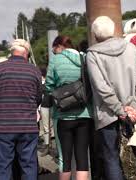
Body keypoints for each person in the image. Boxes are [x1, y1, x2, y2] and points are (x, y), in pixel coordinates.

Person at [87, 16, 136, 180]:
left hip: (108, 113)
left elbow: (101, 87)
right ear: (113, 29)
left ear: (94, 34)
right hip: (133, 112)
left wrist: (120, 110)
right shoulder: (131, 48)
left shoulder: (92, 54)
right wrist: (133, 105)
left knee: (111, 157)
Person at [0, 39, 42, 180]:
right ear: (26, 53)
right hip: (28, 126)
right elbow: (38, 98)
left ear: (11, 51)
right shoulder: (34, 71)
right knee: (29, 165)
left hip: (4, 126)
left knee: (3, 165)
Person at [45, 35, 93, 180]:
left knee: (64, 159)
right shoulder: (84, 58)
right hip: (84, 113)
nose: (54, 53)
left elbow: (48, 85)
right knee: (82, 158)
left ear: (59, 46)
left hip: (63, 115)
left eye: (54, 50)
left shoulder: (55, 60)